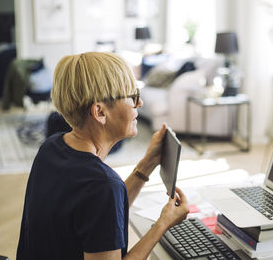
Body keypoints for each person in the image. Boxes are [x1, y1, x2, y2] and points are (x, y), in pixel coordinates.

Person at [17, 52, 189, 260]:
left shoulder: (51, 147)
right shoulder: (103, 185)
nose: (140, 103)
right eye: (133, 97)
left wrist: (147, 164)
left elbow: (99, 211)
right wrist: (162, 224)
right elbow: (102, 197)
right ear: (99, 112)